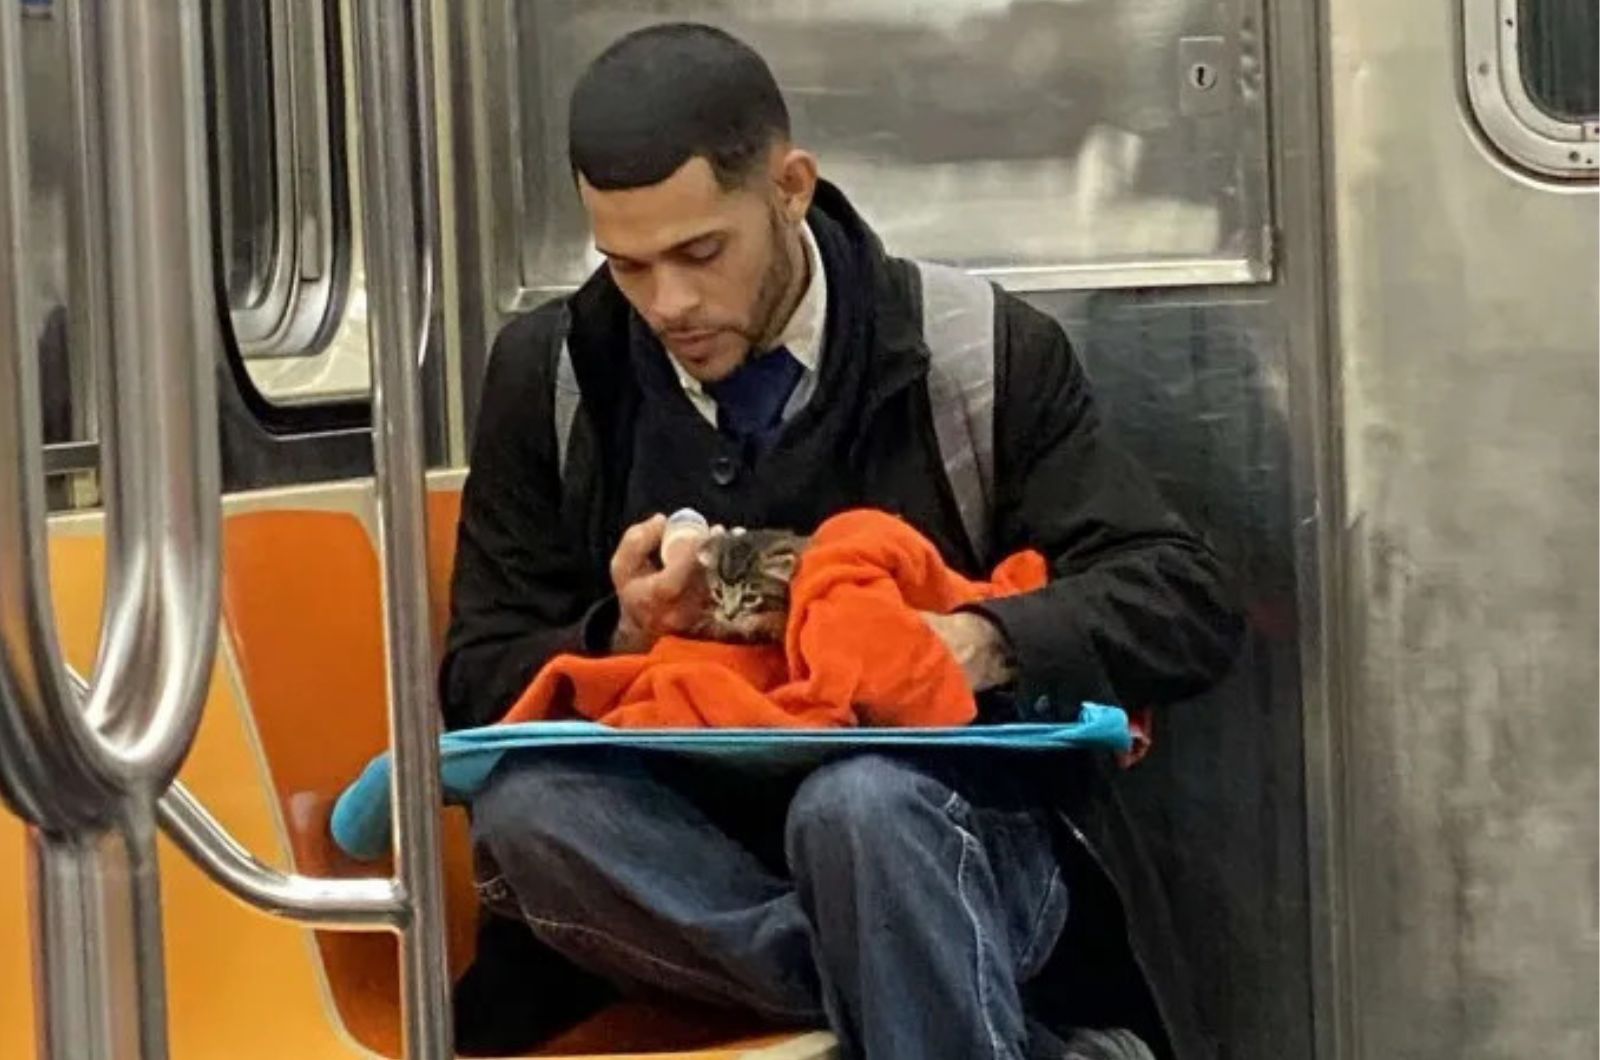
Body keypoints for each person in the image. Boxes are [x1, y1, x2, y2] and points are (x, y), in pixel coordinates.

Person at [441, 22, 1242, 1060]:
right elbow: (471, 679)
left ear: (791, 187)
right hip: (679, 862)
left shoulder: (977, 353)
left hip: (948, 828)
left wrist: (979, 639)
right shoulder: (553, 373)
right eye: (627, 266)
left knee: (859, 809)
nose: (668, 304)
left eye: (700, 253)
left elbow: (1183, 598)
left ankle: (917, 978)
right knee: (528, 815)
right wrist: (626, 635)